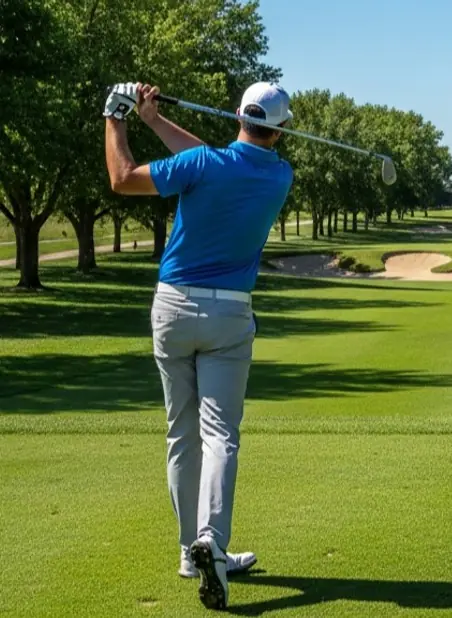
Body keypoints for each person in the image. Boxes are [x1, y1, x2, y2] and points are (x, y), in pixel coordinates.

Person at [103, 81, 294, 610]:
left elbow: (123, 179)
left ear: (238, 114)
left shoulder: (206, 166)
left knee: (182, 434)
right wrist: (153, 119)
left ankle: (192, 553)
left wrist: (116, 117)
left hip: (172, 308)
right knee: (220, 436)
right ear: (281, 131)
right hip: (229, 313)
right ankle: (211, 541)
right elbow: (209, 161)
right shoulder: (280, 175)